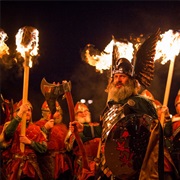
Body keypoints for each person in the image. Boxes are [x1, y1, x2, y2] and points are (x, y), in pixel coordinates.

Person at [70, 58, 163, 180]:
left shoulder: (141, 103)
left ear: (131, 80)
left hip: (133, 168)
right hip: (108, 167)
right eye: (116, 76)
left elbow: (154, 135)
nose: (118, 80)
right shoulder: (112, 106)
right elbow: (107, 131)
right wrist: (84, 129)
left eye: (123, 76)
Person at [4, 100, 47, 180]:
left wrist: (30, 142)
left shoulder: (37, 129)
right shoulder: (12, 126)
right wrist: (20, 113)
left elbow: (44, 148)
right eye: (24, 110)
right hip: (15, 166)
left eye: (29, 110)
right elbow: (7, 134)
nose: (27, 112)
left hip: (32, 166)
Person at [141, 89, 179, 180]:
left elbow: (167, 132)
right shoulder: (140, 120)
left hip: (165, 160)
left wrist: (165, 117)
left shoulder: (163, 118)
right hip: (147, 163)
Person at [35, 100, 72, 180]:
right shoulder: (38, 125)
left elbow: (67, 146)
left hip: (63, 162)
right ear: (47, 113)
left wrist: (71, 133)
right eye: (56, 112)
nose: (59, 114)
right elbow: (38, 143)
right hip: (48, 162)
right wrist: (45, 128)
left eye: (59, 111)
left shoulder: (63, 126)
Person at [65, 102, 101, 180]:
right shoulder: (74, 129)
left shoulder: (96, 126)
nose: (84, 113)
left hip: (98, 163)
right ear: (75, 116)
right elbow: (70, 145)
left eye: (86, 111)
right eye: (80, 112)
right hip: (83, 164)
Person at [165, 90, 180, 179]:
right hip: (176, 151)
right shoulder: (173, 119)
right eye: (179, 104)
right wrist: (166, 117)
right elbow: (167, 133)